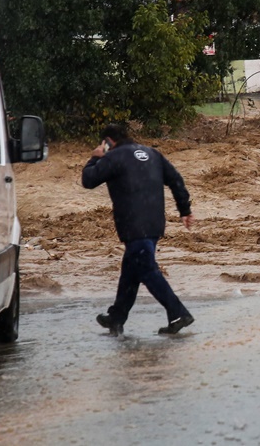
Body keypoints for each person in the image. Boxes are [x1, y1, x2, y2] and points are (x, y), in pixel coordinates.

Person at [82, 124, 195, 336]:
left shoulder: (113, 156)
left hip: (133, 224)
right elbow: (176, 180)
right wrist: (184, 209)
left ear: (107, 141)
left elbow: (88, 180)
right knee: (131, 271)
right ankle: (116, 317)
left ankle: (178, 313)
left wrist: (96, 157)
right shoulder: (153, 153)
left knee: (147, 270)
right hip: (154, 223)